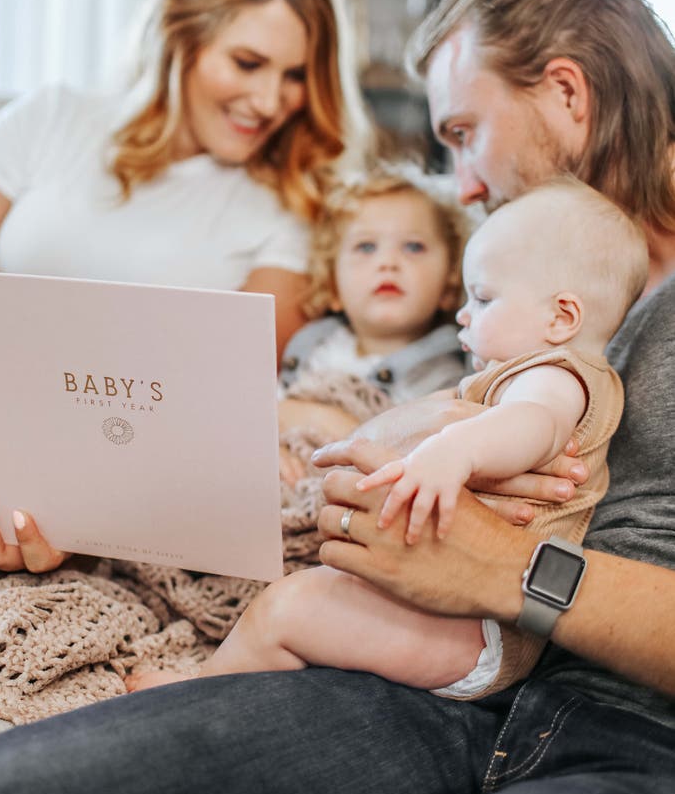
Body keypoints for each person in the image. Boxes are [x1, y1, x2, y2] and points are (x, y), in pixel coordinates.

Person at [0, 0, 674, 794]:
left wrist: (514, 571)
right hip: (415, 679)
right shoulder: (528, 282)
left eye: (462, 133)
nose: (463, 186)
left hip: (626, 740)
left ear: (566, 92)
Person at [0, 0, 376, 626]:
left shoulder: (293, 205)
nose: (269, 100)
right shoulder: (52, 118)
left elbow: (217, 400)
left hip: (96, 486)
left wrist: (57, 490)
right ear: (182, 32)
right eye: (247, 63)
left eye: (296, 75)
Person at [129, 180, 646, 698]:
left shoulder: (557, 376)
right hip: (455, 608)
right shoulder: (529, 374)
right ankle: (239, 683)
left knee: (285, 609)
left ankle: (194, 694)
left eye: (484, 298)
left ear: (561, 317)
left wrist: (452, 451)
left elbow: (535, 424)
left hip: (476, 628)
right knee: (300, 604)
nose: (464, 314)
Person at [275, 165, 468, 484]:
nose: (388, 262)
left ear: (449, 284)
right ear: (333, 286)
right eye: (366, 247)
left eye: (413, 246)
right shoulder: (309, 348)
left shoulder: (447, 380)